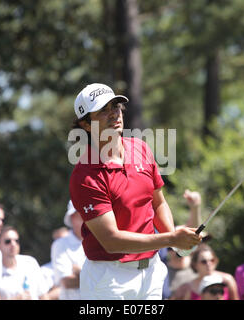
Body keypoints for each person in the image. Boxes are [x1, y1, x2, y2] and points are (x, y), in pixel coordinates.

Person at [69, 83, 202, 300]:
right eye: (103, 110)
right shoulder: (85, 176)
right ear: (85, 124)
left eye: (116, 106)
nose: (114, 114)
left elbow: (158, 203)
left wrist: (179, 246)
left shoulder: (140, 148)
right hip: (109, 280)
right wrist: (171, 239)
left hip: (151, 273)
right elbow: (111, 241)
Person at [0, 226, 49, 300]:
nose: (13, 244)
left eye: (16, 241)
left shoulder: (30, 262)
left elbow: (43, 296)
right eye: (8, 241)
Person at [51, 200, 86, 300]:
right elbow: (67, 282)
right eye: (82, 214)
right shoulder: (60, 245)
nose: (87, 218)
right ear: (73, 217)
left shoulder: (99, 241)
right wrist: (94, 275)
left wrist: (79, 272)